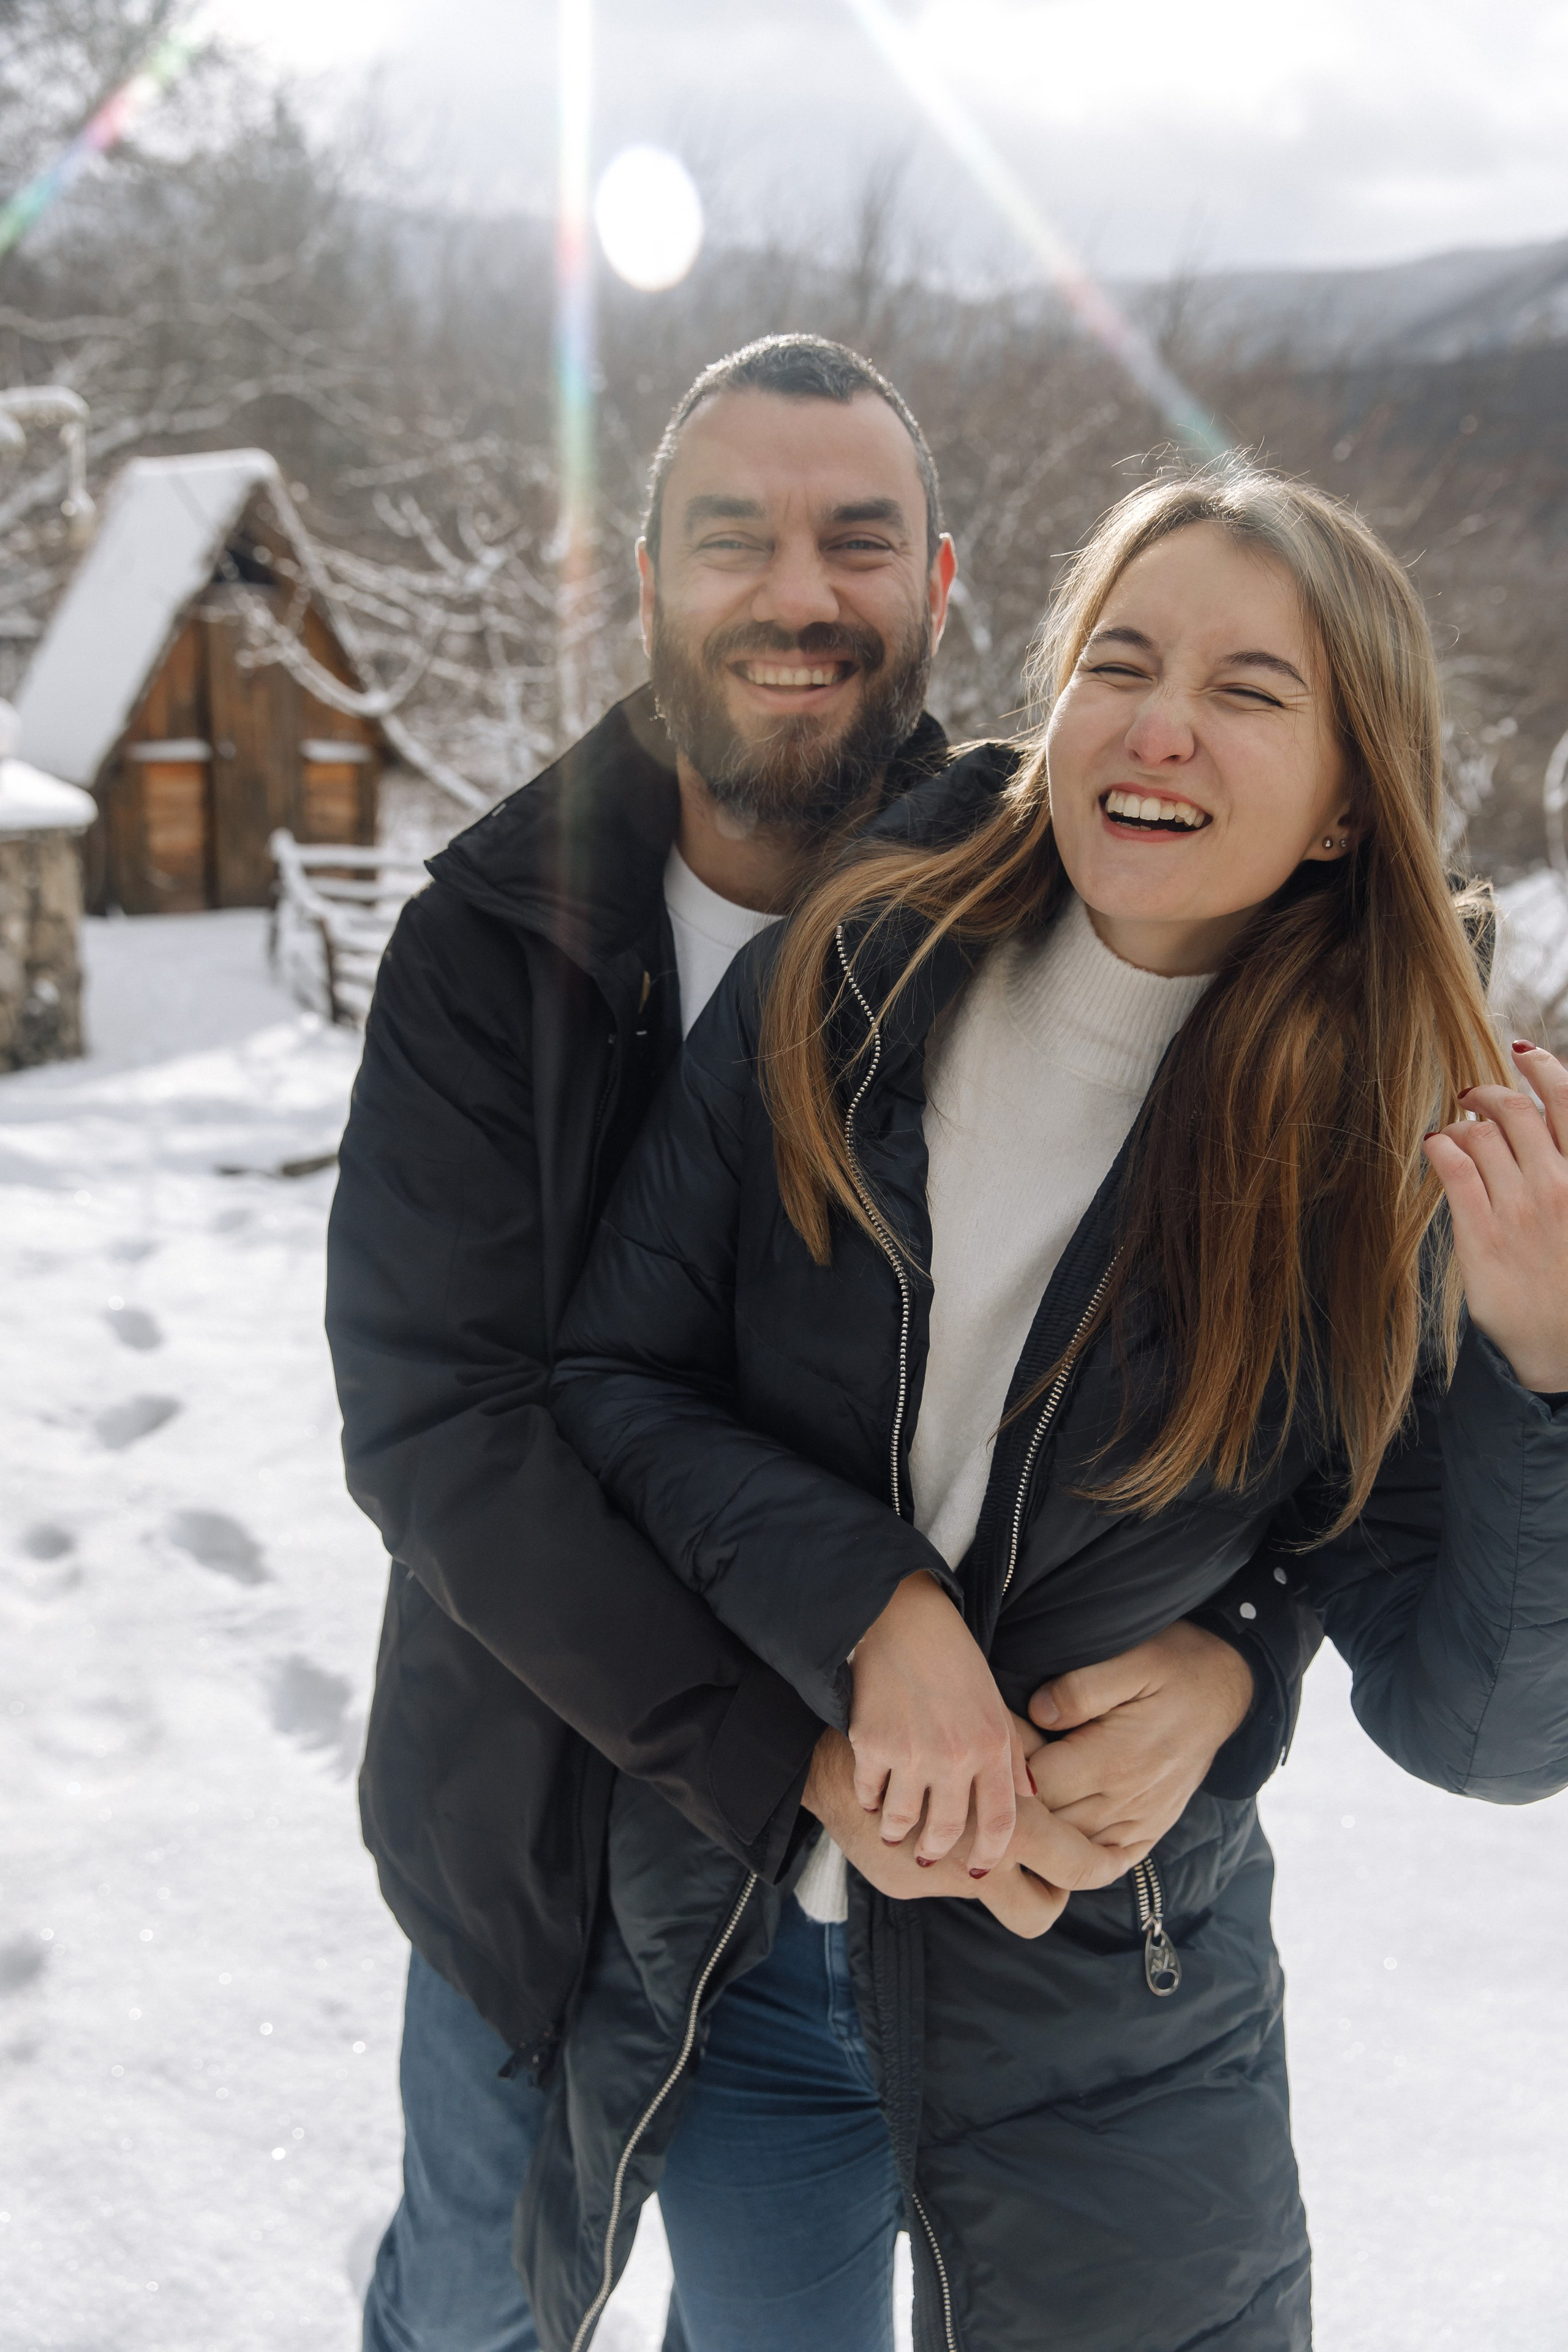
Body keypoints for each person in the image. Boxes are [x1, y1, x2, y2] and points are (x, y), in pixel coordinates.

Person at [326, 341, 1317, 2352]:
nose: (801, 594)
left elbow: (1270, 1429)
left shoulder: (1075, 909)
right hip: (539, 1811)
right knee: (473, 2307)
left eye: (858, 542)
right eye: (735, 539)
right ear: (639, 581)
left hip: (896, 1907)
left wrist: (1244, 1654)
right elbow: (447, 1426)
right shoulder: (489, 934)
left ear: (941, 584)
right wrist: (792, 1759)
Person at [550, 464, 1568, 2352]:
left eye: (1254, 691)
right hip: (757, 1946)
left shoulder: (1397, 1154)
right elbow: (613, 1384)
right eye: (1124, 658)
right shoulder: (838, 986)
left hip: (1112, 2002)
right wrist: (874, 1607)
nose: (1163, 723)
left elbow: (1482, 1722)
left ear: (1352, 801)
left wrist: (1548, 1372)